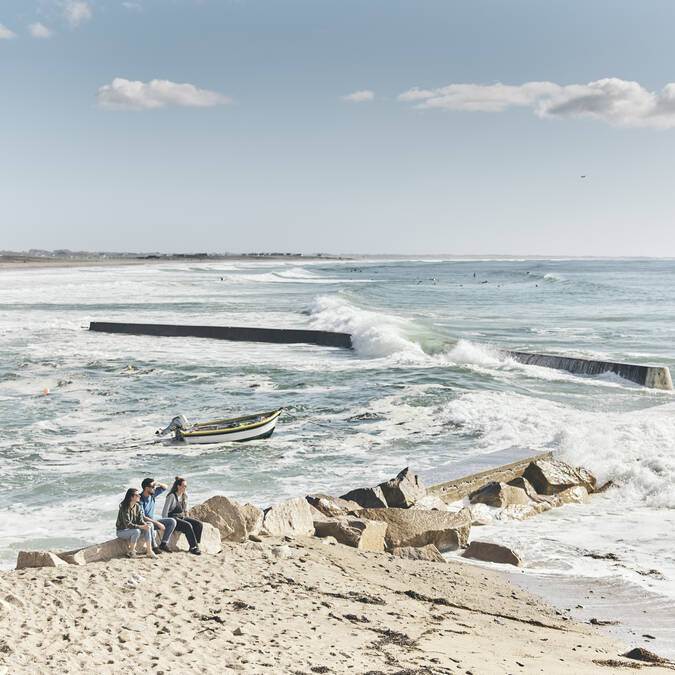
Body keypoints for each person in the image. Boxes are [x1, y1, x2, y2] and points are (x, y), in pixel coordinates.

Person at [162, 476, 203, 555]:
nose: (185, 488)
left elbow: (185, 510)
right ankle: (193, 547)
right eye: (184, 486)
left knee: (199, 524)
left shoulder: (184, 495)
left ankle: (196, 545)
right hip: (173, 519)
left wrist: (188, 518)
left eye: (186, 486)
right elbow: (164, 512)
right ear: (178, 486)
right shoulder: (171, 496)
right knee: (188, 526)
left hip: (181, 517)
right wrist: (166, 524)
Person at [139, 477, 177, 554]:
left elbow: (165, 487)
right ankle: (155, 547)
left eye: (154, 487)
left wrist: (157, 483)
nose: (154, 488)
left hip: (152, 522)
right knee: (150, 525)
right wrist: (157, 523)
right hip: (143, 524)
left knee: (172, 521)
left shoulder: (152, 495)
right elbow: (143, 518)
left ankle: (163, 544)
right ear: (146, 488)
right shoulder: (139, 500)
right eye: (153, 487)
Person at [116, 488, 155, 558]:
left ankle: (149, 551)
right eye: (137, 495)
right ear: (131, 497)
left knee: (147, 527)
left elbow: (140, 521)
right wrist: (141, 527)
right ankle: (131, 551)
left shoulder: (137, 506)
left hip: (132, 529)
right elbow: (128, 524)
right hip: (122, 531)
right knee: (136, 531)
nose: (139, 496)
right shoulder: (124, 507)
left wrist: (145, 525)